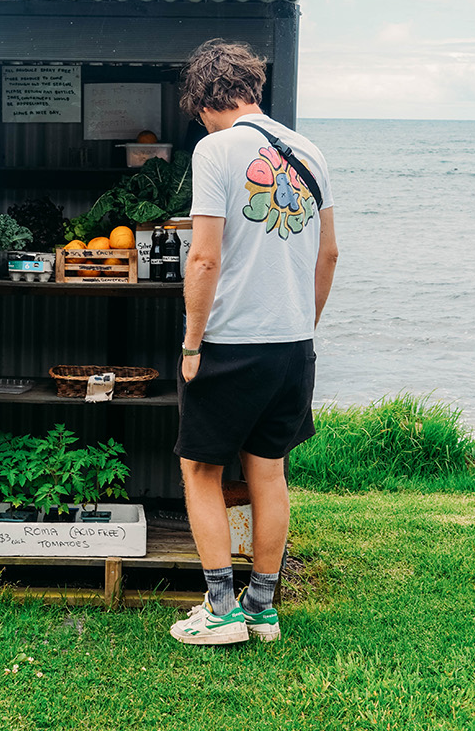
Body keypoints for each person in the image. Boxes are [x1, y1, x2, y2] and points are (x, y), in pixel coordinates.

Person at [169, 39, 339, 646]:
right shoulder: (310, 151)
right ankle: (262, 607)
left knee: (200, 468)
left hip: (231, 343)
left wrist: (192, 344)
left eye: (198, 111)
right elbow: (329, 253)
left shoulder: (214, 149)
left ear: (206, 101)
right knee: (269, 472)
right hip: (293, 345)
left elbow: (205, 258)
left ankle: (221, 611)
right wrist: (304, 326)